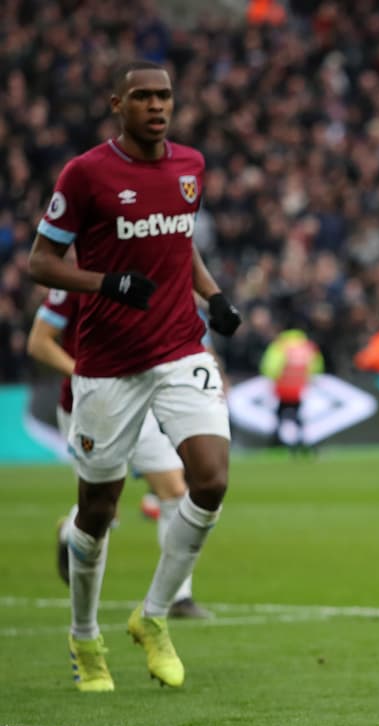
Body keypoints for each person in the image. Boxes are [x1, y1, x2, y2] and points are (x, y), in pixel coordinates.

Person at [27, 60, 241, 692]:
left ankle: (153, 617)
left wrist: (214, 295)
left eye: (165, 96)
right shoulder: (86, 173)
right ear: (116, 103)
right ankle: (84, 635)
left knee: (210, 480)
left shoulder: (190, 167)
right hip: (108, 366)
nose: (156, 106)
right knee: (96, 510)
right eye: (143, 97)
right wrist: (105, 283)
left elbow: (180, 242)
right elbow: (42, 261)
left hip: (180, 349)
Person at [28, 287, 213, 619]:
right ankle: (71, 530)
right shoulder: (76, 282)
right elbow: (38, 341)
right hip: (91, 408)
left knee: (174, 490)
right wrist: (84, 375)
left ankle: (178, 598)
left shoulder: (148, 272)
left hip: (140, 404)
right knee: (103, 509)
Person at [260, 328, 324, 455]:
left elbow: (270, 367)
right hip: (301, 388)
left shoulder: (279, 345)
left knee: (281, 415)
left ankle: (278, 443)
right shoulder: (308, 346)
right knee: (299, 416)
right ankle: (304, 442)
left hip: (283, 388)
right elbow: (317, 367)